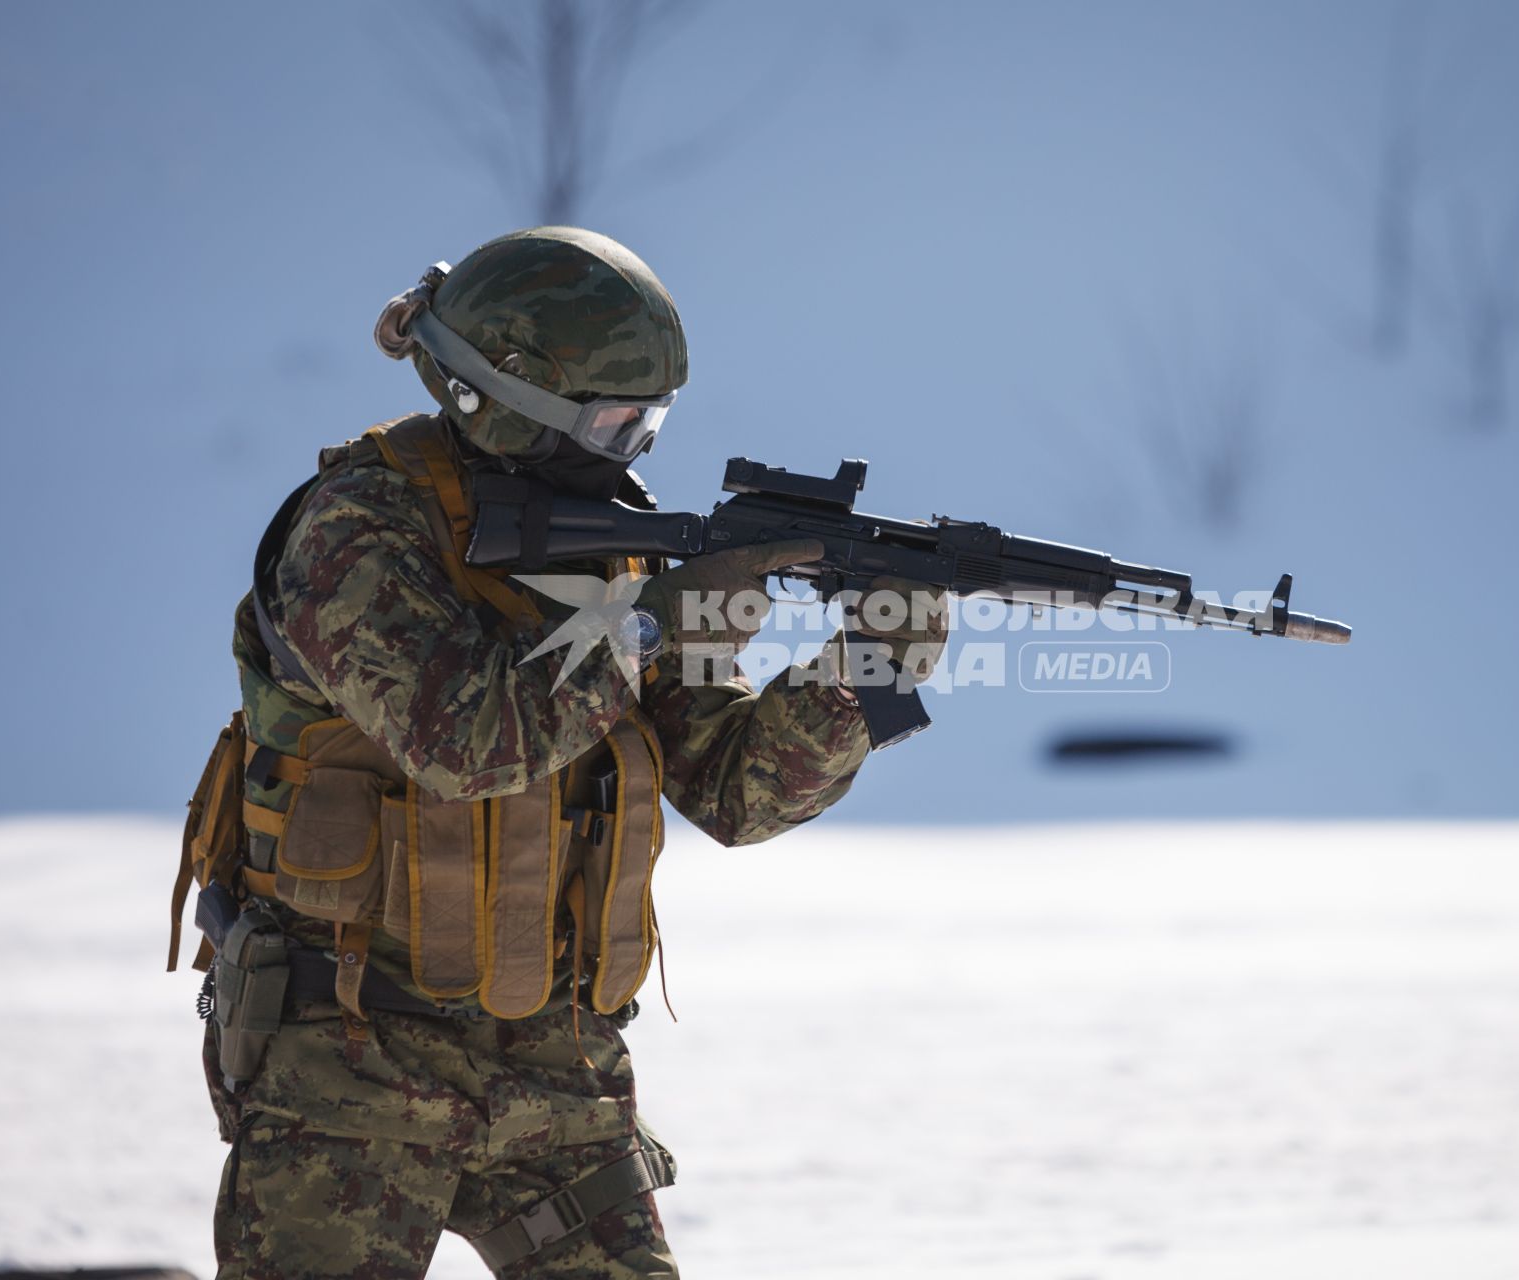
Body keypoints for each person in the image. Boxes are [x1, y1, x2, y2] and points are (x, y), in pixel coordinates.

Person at [169, 226, 946, 1278]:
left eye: (652, 418)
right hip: (350, 1056)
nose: (637, 445)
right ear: (508, 391)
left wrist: (867, 672)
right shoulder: (356, 530)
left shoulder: (611, 537)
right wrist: (654, 624)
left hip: (558, 1063)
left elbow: (732, 788)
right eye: (616, 417)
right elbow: (467, 743)